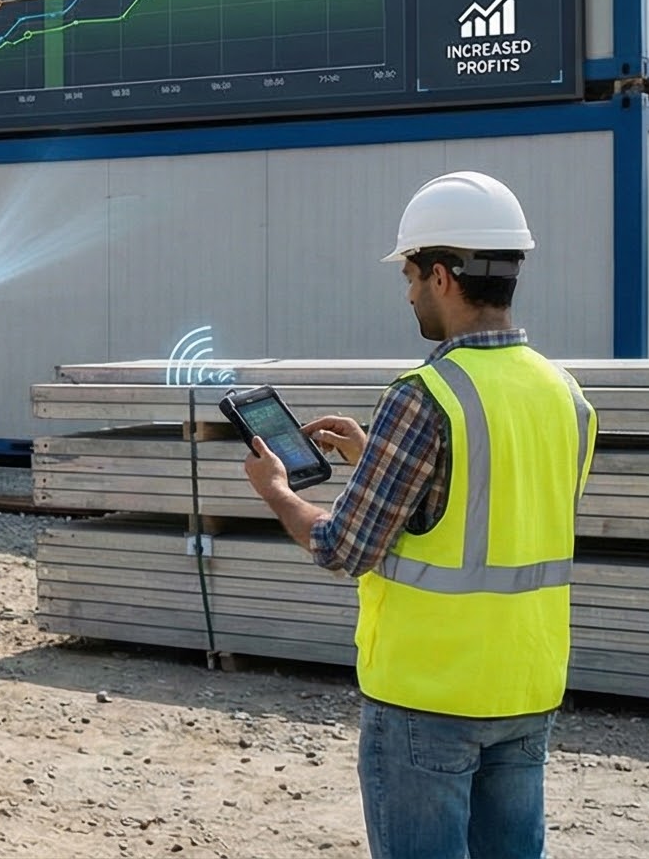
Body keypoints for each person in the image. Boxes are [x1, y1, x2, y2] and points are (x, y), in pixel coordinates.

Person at [243, 172, 595, 859]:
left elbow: (345, 547)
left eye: (408, 274)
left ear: (441, 275)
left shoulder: (426, 393)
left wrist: (278, 490)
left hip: (428, 696)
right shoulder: (565, 394)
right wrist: (378, 456)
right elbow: (495, 502)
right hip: (525, 688)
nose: (406, 292)